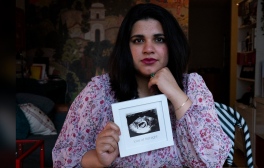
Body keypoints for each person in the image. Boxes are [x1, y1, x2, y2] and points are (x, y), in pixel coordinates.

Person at [52, 3, 231, 167]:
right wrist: (99, 159)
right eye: (138, 40)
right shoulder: (99, 91)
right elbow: (63, 158)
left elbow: (212, 160)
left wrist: (176, 94)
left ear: (172, 45)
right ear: (126, 47)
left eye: (159, 39)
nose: (148, 48)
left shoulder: (192, 86)